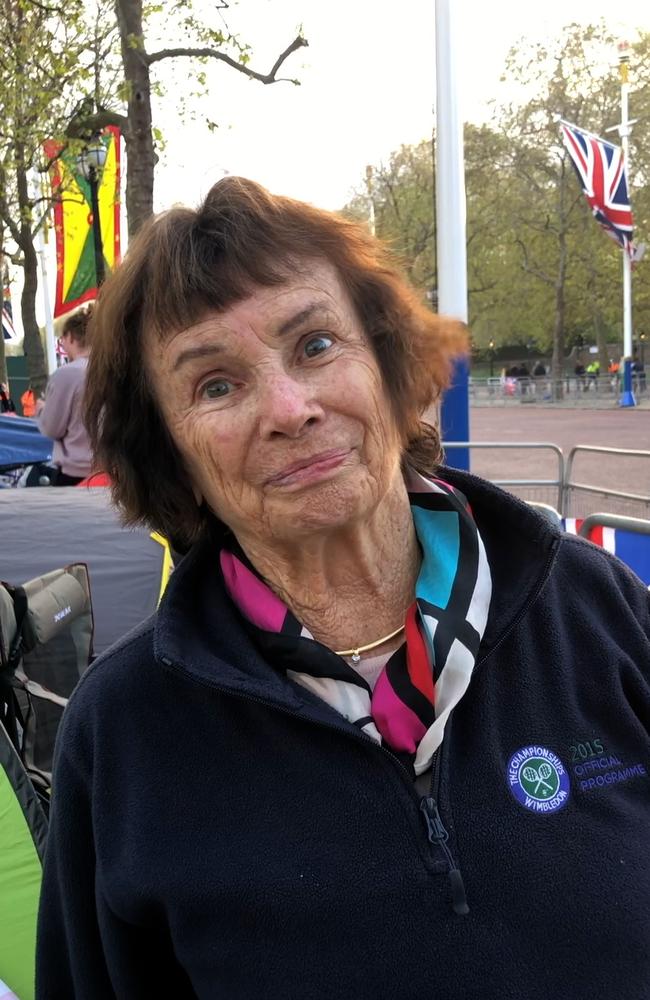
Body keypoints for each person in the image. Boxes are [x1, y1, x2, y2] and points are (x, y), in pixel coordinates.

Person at [37, 178, 650, 1000]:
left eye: (316, 346)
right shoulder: (123, 732)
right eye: (215, 386)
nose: (290, 409)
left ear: (391, 362)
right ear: (170, 450)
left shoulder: (594, 607)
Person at [36, 307, 94, 485]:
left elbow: (52, 428)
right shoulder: (118, 371)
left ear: (70, 337)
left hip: (77, 474)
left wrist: (42, 411)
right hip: (118, 475)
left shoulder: (67, 374)